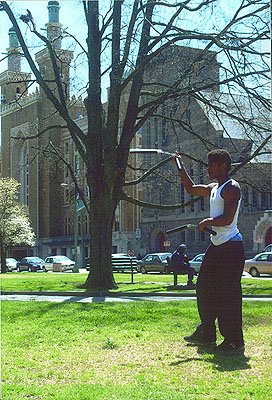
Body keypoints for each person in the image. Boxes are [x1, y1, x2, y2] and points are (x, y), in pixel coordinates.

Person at [173, 149, 245, 356]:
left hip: (231, 247)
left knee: (228, 295)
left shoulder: (231, 188)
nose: (208, 168)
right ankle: (207, 332)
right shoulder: (215, 187)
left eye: (211, 164)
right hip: (217, 246)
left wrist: (208, 222)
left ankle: (234, 340)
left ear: (223, 166)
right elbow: (191, 188)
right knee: (203, 287)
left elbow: (228, 219)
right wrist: (180, 165)